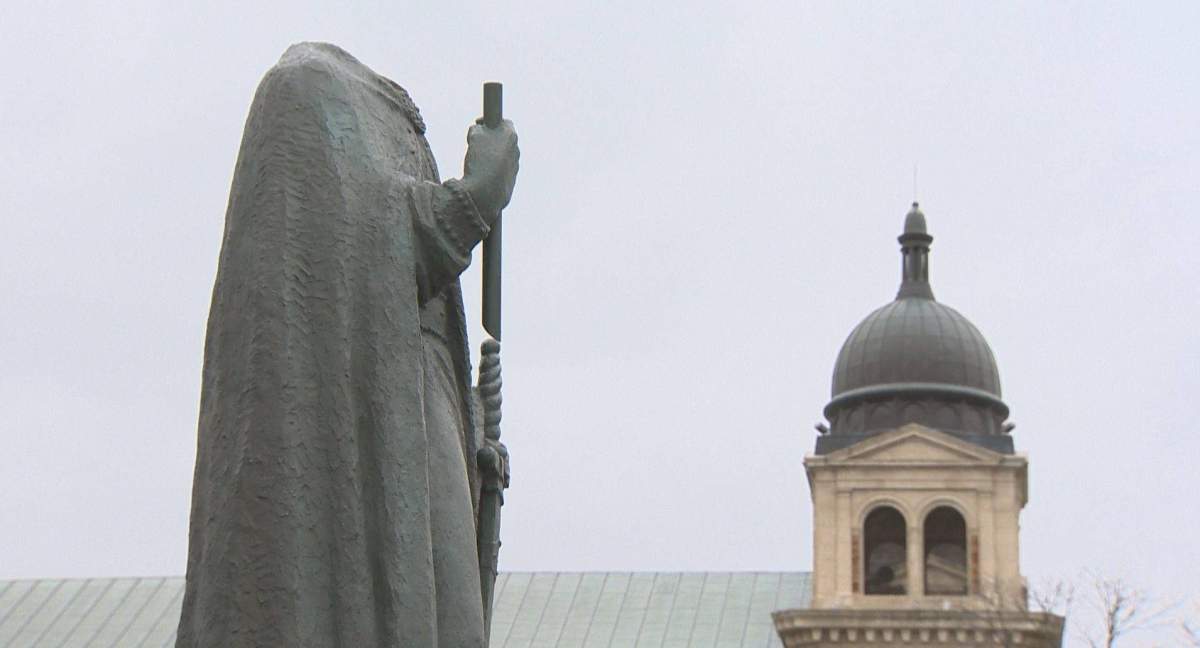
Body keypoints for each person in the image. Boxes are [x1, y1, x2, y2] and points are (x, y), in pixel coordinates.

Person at [176, 42, 519, 648]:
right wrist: (472, 202)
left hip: (419, 410)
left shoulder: (391, 115)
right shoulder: (307, 90)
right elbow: (363, 252)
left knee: (453, 626)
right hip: (364, 443)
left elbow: (397, 306)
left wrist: (468, 429)